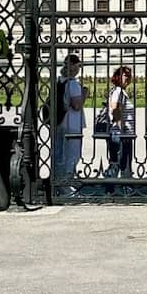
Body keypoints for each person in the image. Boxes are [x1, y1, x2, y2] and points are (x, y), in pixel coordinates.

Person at [53, 53, 85, 194]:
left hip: (59, 122)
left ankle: (58, 181)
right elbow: (77, 105)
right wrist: (85, 93)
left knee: (59, 152)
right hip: (72, 123)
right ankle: (65, 185)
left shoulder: (60, 81)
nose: (79, 69)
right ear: (73, 67)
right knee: (71, 154)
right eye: (78, 66)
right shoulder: (72, 84)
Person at [105, 65, 135, 184]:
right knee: (121, 161)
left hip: (124, 132)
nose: (127, 78)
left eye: (129, 76)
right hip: (120, 133)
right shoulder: (118, 91)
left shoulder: (120, 91)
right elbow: (114, 108)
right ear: (118, 76)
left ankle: (116, 186)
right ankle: (119, 187)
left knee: (120, 161)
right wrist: (121, 128)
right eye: (125, 75)